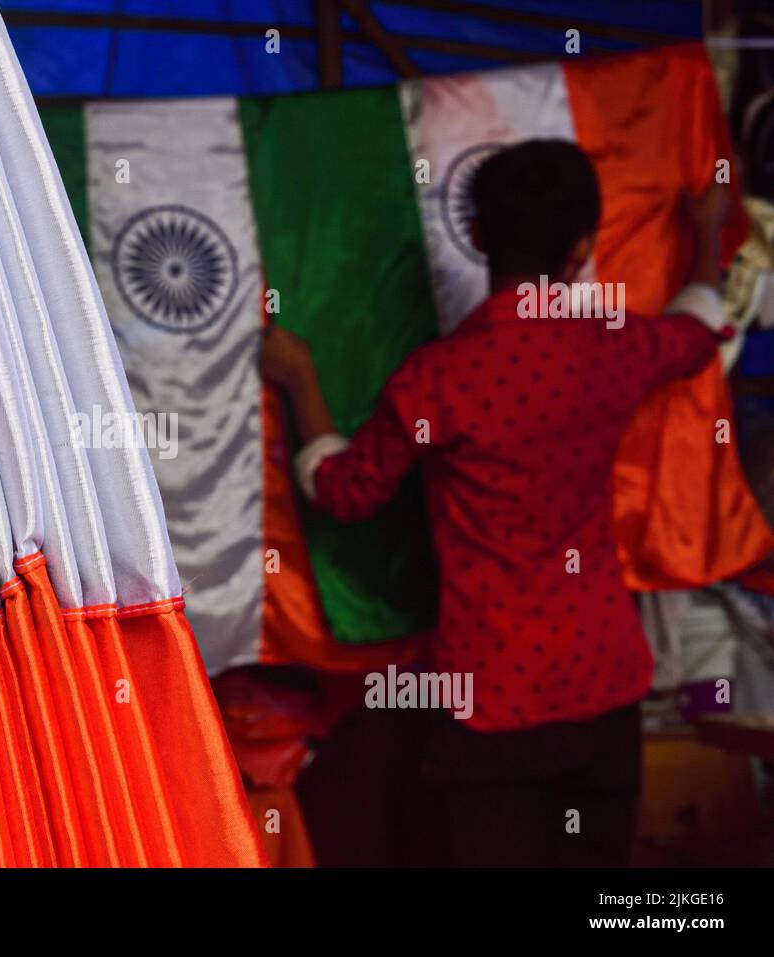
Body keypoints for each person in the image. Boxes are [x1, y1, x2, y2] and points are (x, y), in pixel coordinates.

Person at [261, 139, 733, 867]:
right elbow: (699, 330)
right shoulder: (611, 347)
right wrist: (706, 231)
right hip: (602, 688)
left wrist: (300, 380)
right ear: (582, 248)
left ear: (477, 236)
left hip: (491, 705)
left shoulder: (441, 379)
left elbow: (345, 491)